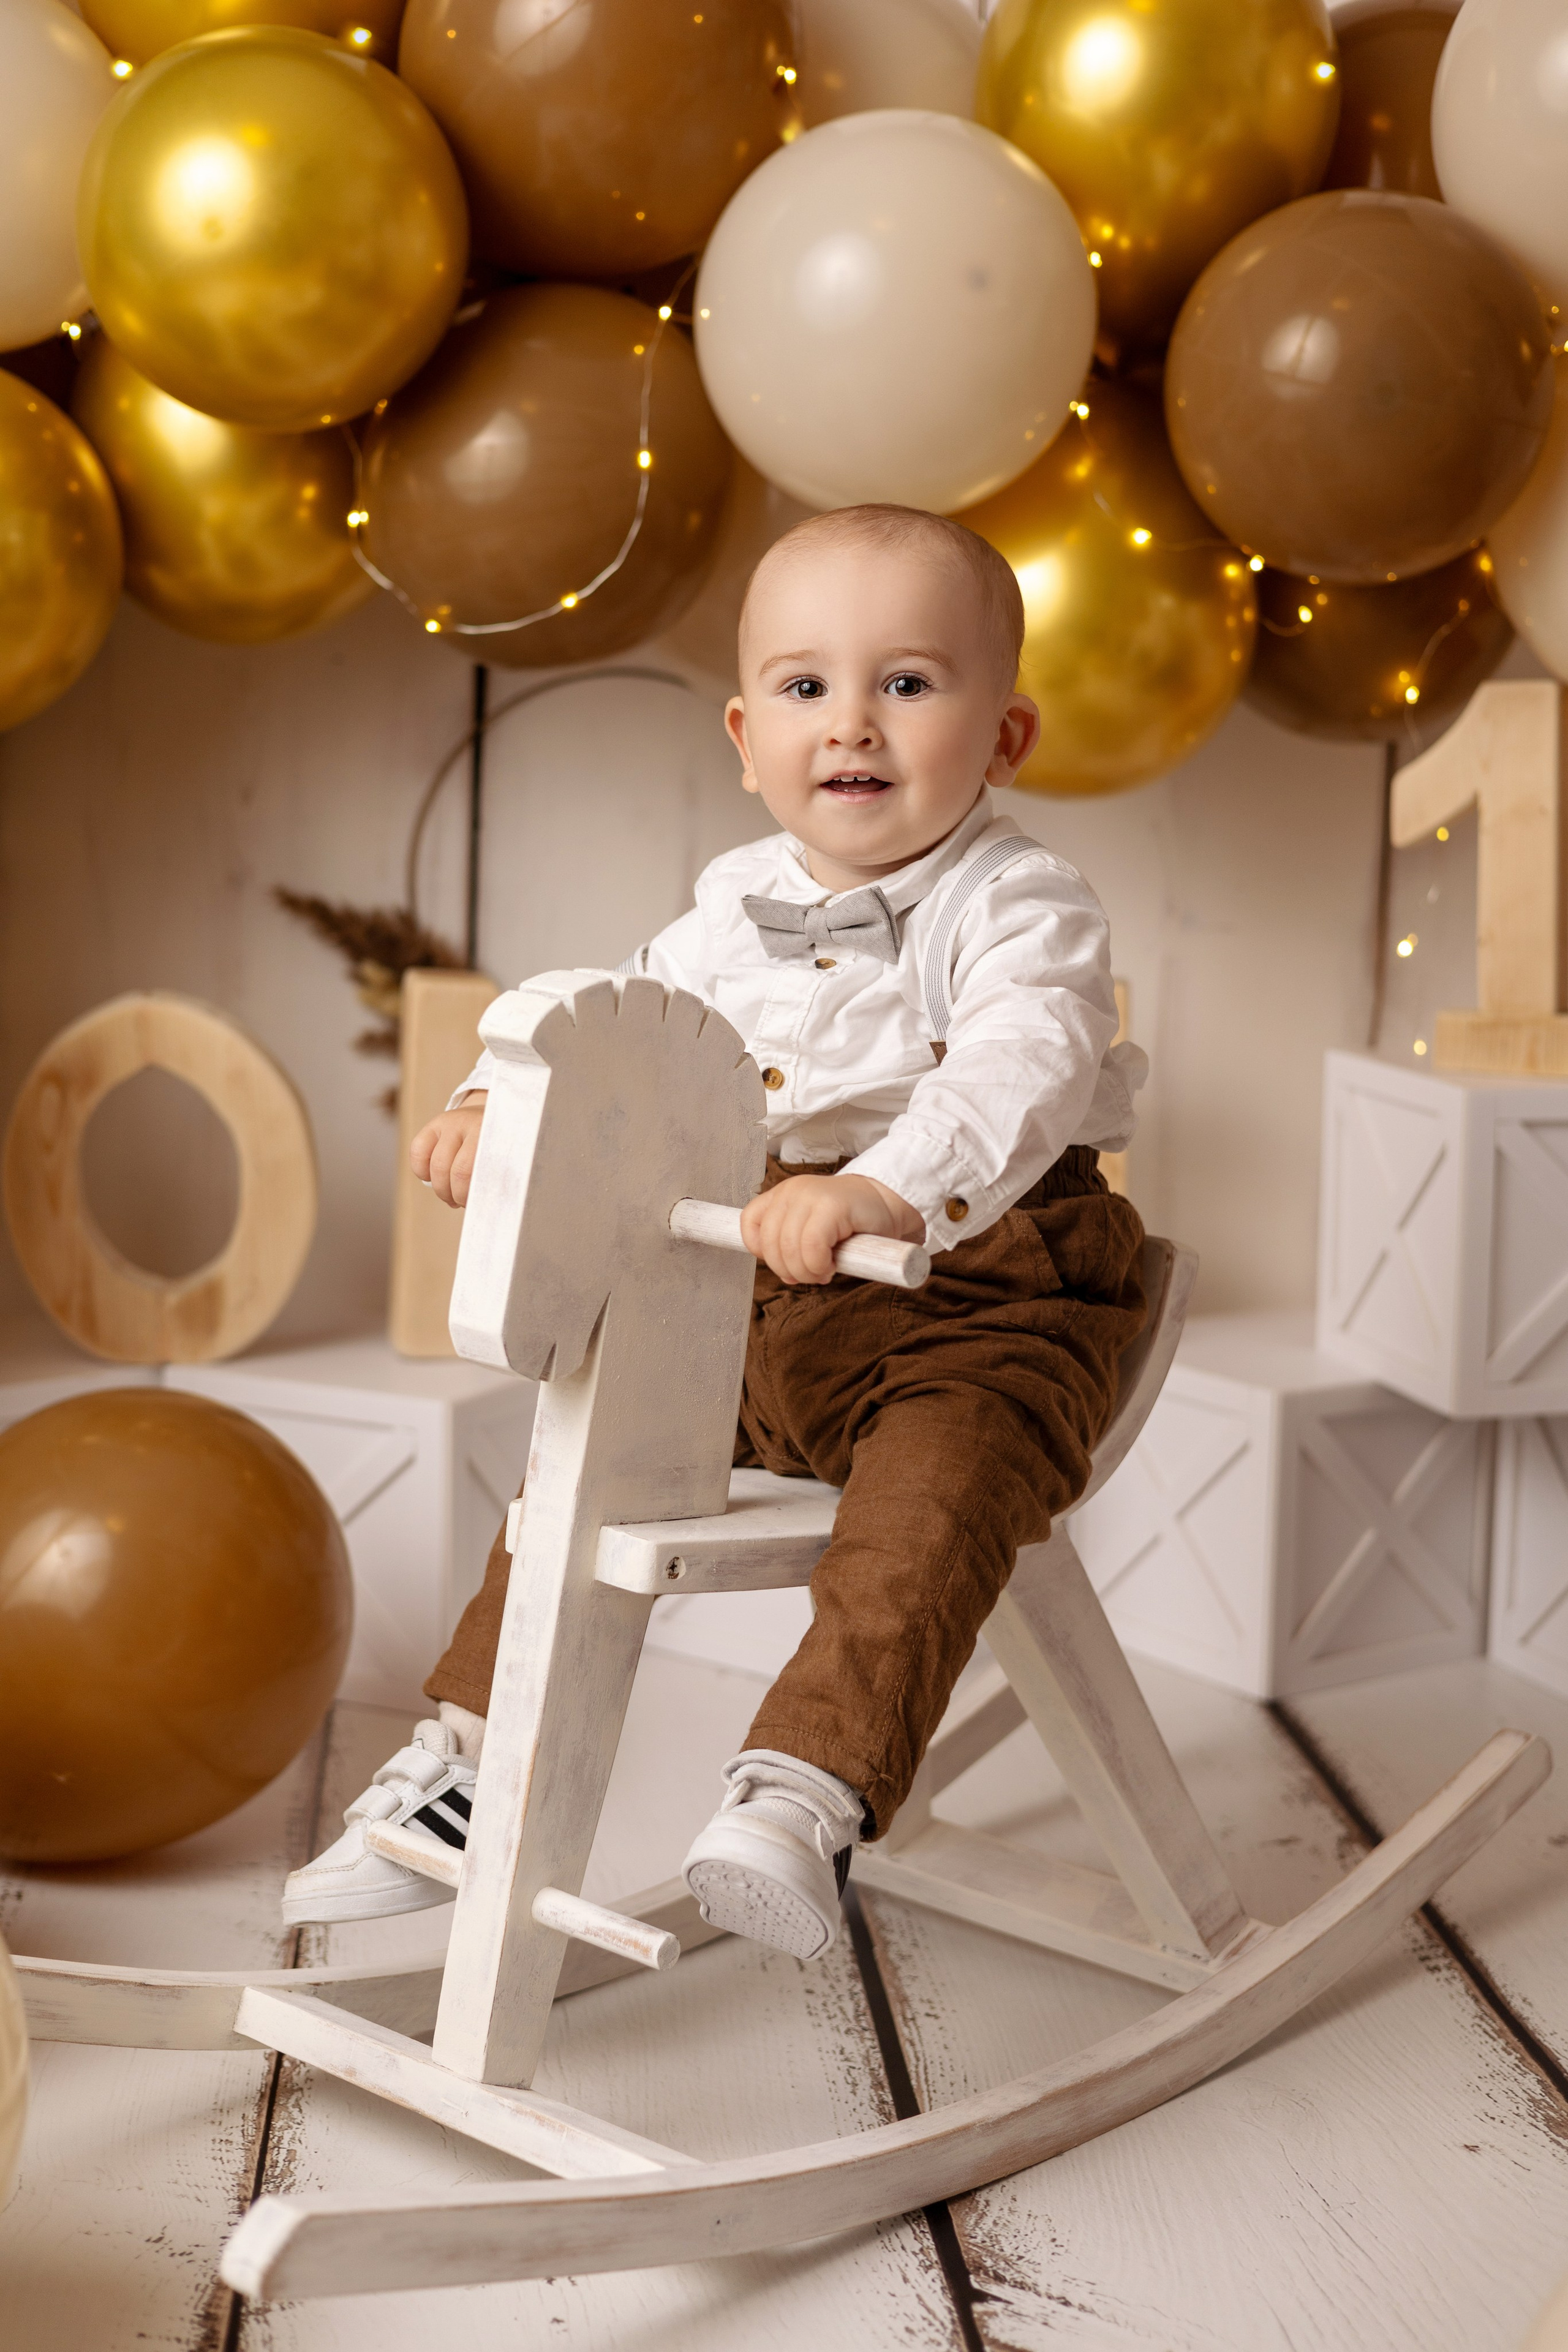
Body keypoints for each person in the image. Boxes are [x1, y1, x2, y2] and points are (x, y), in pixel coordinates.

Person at [282, 502, 1148, 1961]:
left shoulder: (1020, 906)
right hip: (760, 1294)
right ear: (746, 739)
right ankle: (469, 1765)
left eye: (909, 684)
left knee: (928, 1505)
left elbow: (1025, 1063)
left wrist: (881, 1186)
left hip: (981, 1292)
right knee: (580, 1461)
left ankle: (796, 1794)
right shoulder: (722, 915)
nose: (853, 724)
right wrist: (500, 1098)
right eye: (808, 689)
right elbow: (600, 1020)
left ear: (1003, 739)